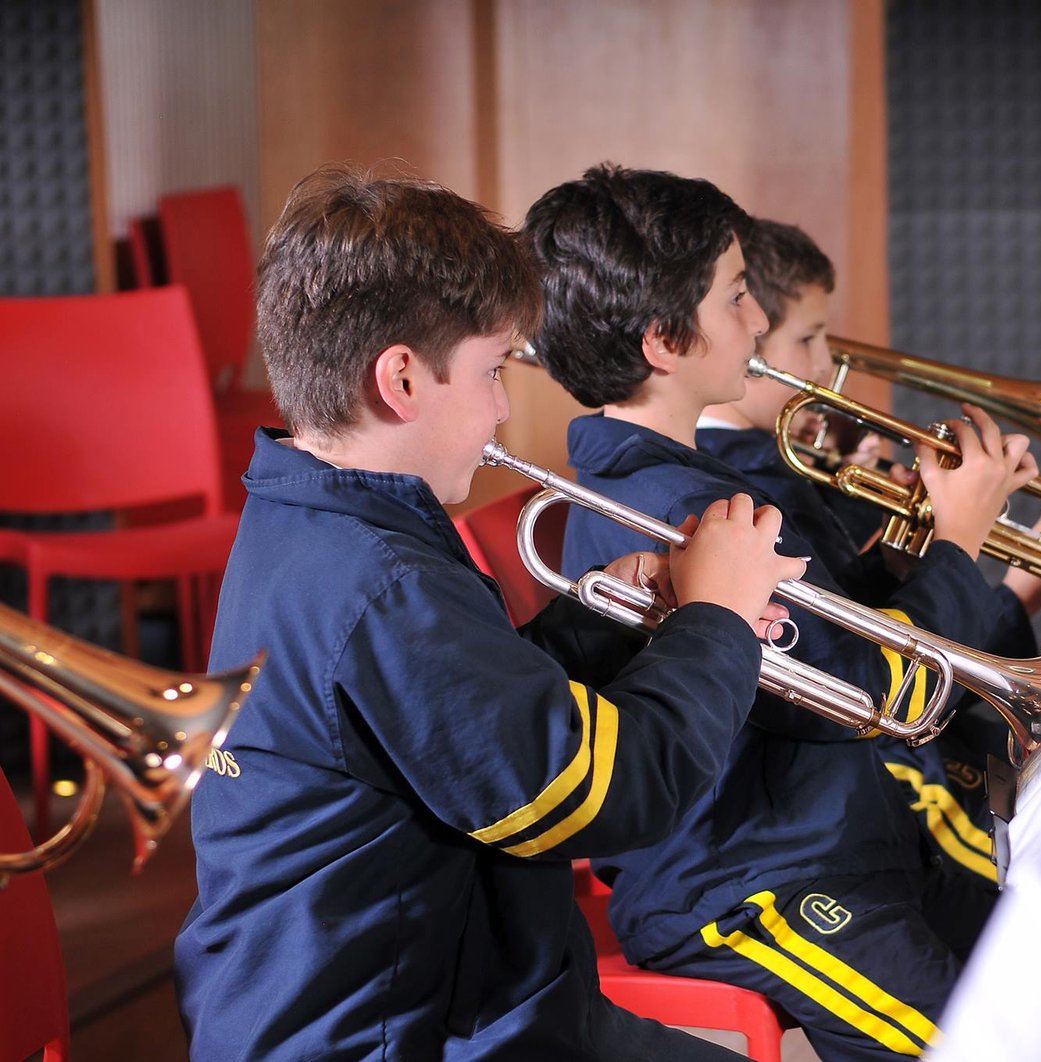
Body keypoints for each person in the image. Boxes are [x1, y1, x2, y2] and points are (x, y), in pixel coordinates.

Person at [173, 165, 807, 1061]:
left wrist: (615, 616)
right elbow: (614, 795)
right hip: (402, 1035)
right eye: (492, 370)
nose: (505, 407)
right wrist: (716, 623)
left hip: (467, 1000)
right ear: (400, 380)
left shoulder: (313, 516)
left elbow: (472, 717)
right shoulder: (378, 580)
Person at [521, 163, 1041, 1062]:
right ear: (664, 341)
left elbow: (838, 638)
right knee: (994, 1048)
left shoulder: (698, 480)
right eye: (735, 298)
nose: (758, 319)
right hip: (744, 888)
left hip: (829, 842)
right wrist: (958, 543)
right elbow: (876, 691)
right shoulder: (672, 510)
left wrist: (902, 549)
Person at [701, 216, 1041, 1062]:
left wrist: (990, 571)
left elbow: (881, 631)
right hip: (823, 817)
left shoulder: (785, 472)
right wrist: (956, 543)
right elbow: (868, 678)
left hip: (863, 785)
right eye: (810, 339)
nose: (828, 367)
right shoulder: (736, 495)